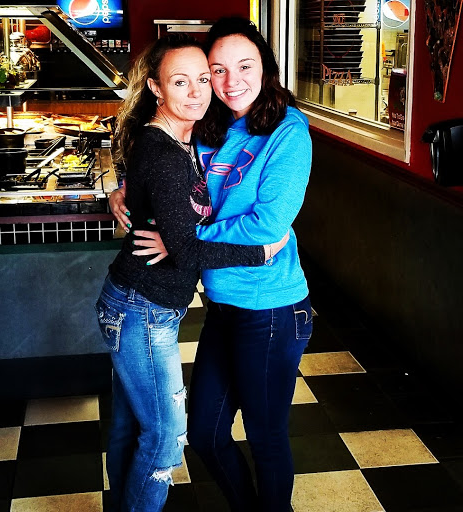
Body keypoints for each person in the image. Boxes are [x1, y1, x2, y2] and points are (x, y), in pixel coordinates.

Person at [110, 17, 313, 512]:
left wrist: (183, 241)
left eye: (245, 66)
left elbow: (267, 227)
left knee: (265, 437)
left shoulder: (288, 131)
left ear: (266, 68)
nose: (230, 81)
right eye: (217, 70)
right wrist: (123, 189)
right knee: (204, 433)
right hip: (221, 303)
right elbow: (167, 168)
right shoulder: (209, 122)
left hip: (271, 307)